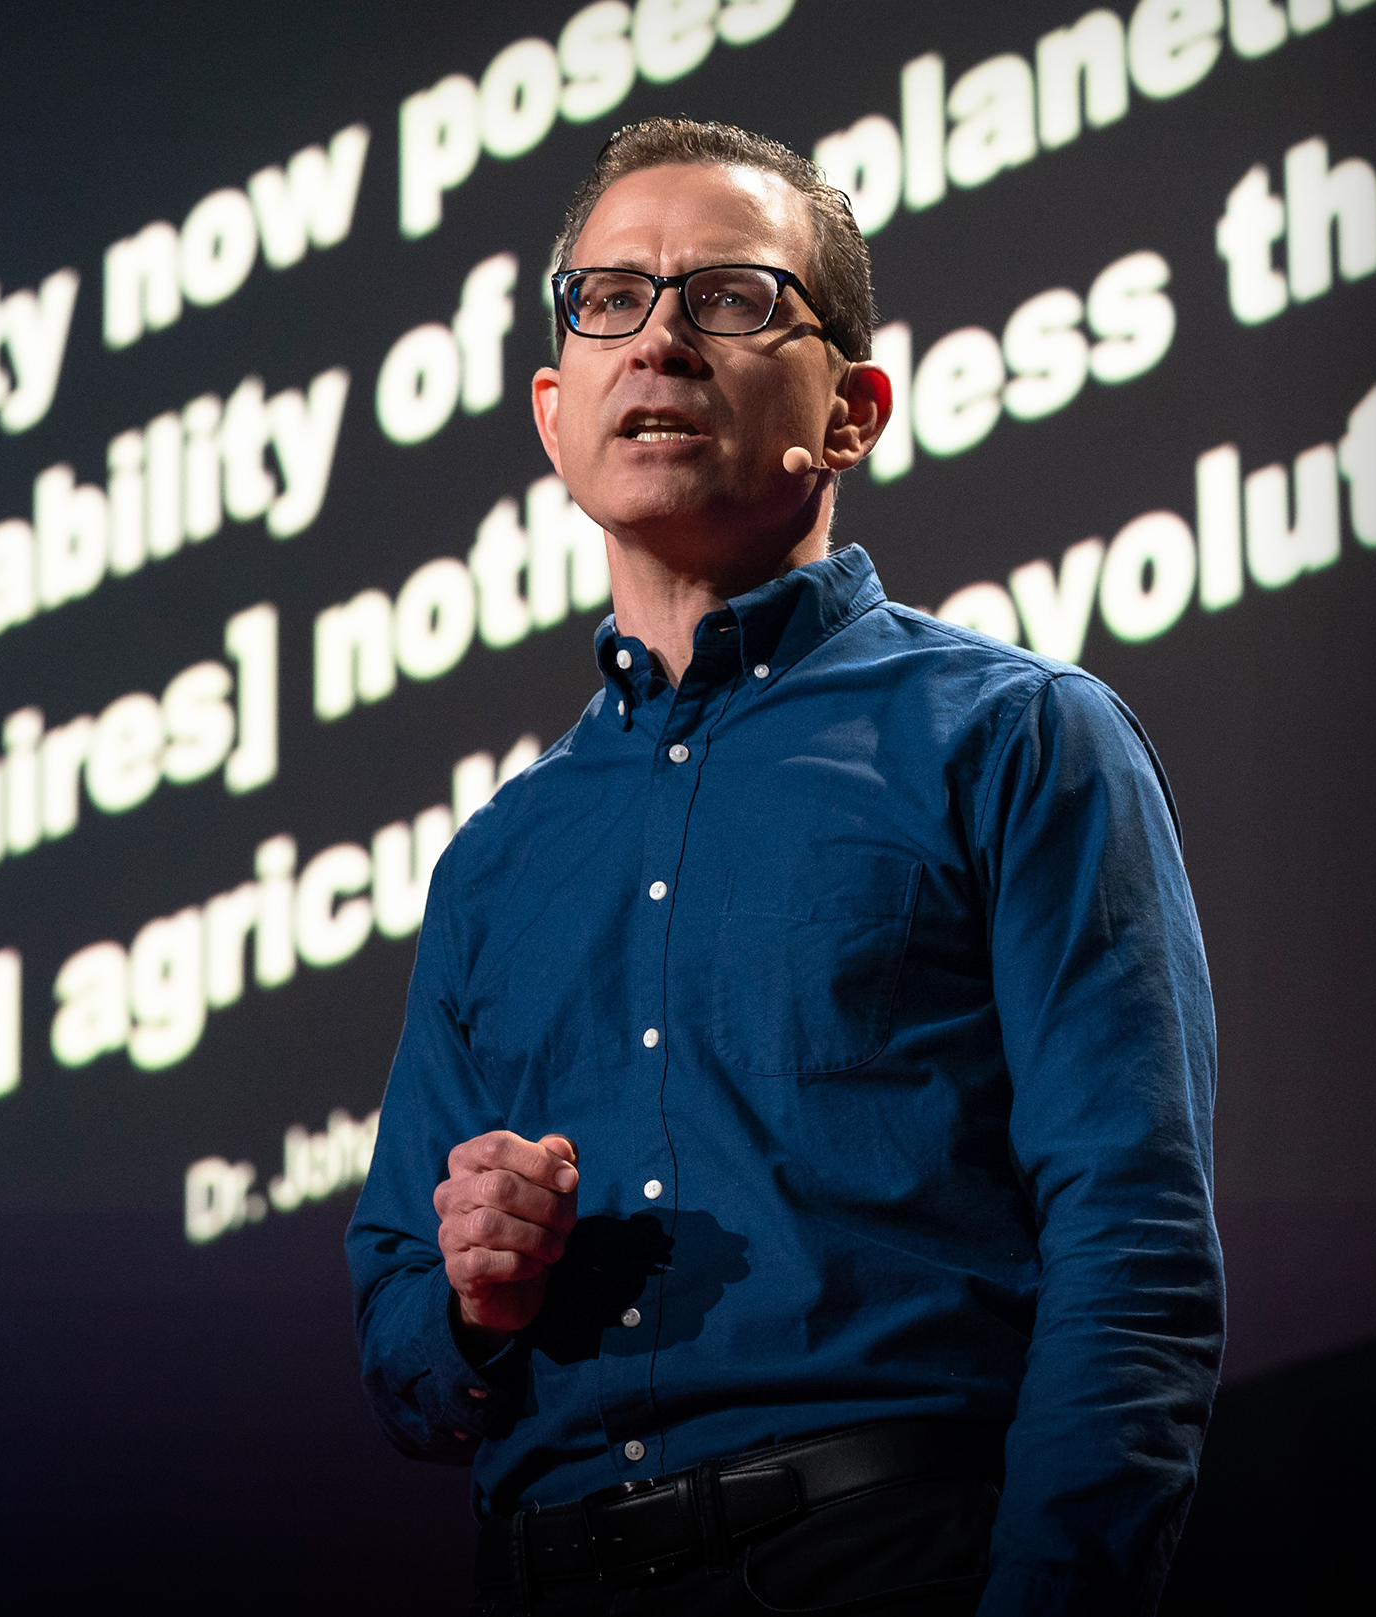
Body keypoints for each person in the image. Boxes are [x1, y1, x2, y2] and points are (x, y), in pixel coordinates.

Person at [344, 119, 1222, 1616]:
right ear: (554, 416)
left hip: (886, 1555)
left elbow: (1131, 1248)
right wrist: (476, 1299)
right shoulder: (497, 860)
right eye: (607, 300)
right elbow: (404, 1354)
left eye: (731, 298)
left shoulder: (1018, 736)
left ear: (854, 409)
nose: (660, 339)